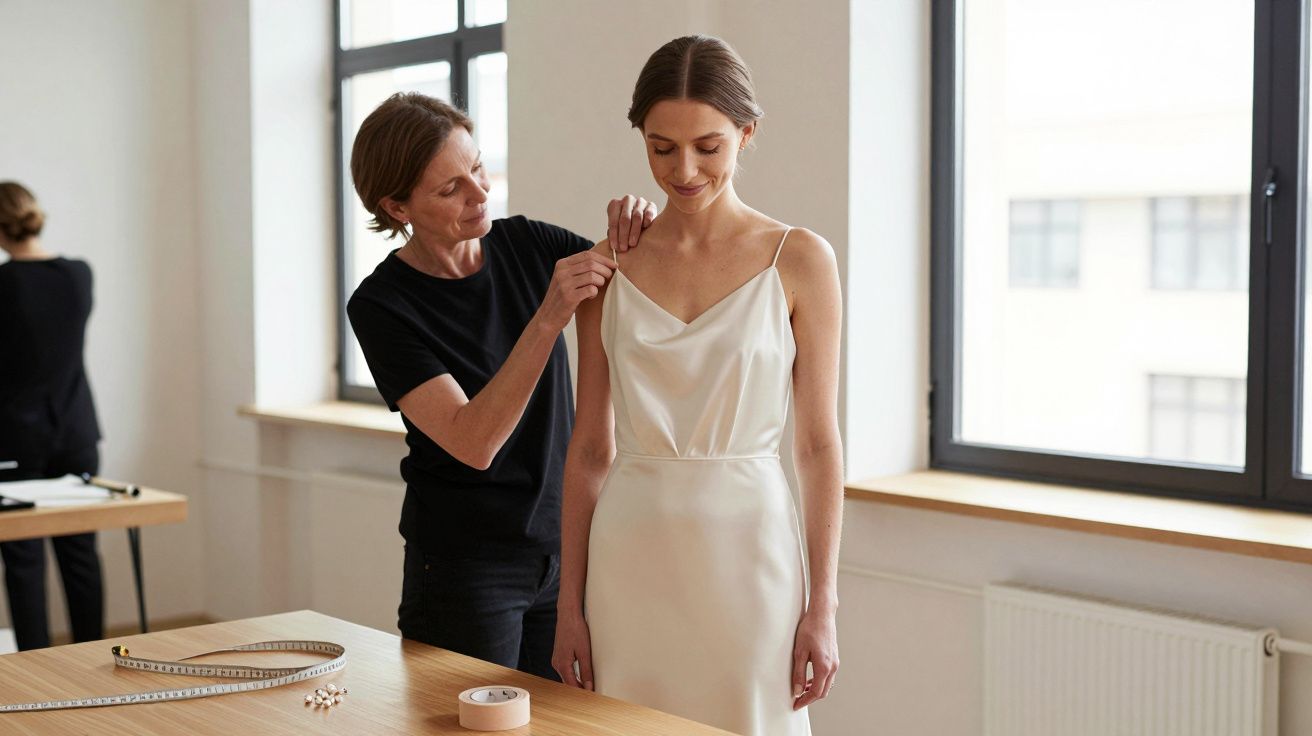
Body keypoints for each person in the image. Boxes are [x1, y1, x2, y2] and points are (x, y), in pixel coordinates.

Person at [552, 36, 844, 735]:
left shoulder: (799, 259)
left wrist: (823, 604)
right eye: (662, 148)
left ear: (747, 133)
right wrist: (568, 606)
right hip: (629, 562)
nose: (683, 171)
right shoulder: (607, 267)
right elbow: (589, 449)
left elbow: (816, 446)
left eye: (708, 147)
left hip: (752, 560)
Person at [346, 92, 655, 679]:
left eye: (478, 167)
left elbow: (642, 275)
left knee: (563, 721)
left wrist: (643, 222)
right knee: (467, 720)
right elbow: (473, 441)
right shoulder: (382, 305)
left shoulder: (528, 244)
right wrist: (548, 317)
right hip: (466, 570)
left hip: (566, 552)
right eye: (451, 188)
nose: (480, 193)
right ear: (396, 205)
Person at [0, 181, 105, 651]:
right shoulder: (79, 274)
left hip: (14, 440)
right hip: (76, 433)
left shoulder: (5, 284)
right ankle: (93, 658)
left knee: (23, 558)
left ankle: (35, 668)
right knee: (80, 553)